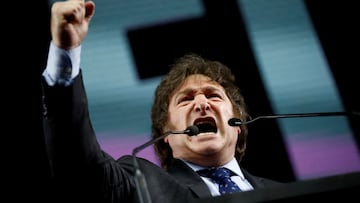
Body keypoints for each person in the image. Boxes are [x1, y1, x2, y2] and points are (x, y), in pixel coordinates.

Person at [41, 0, 283, 202]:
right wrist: (65, 52)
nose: (201, 104)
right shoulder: (143, 182)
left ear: (238, 125)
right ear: (167, 134)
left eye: (213, 95)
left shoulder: (282, 191)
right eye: (185, 100)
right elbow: (81, 171)